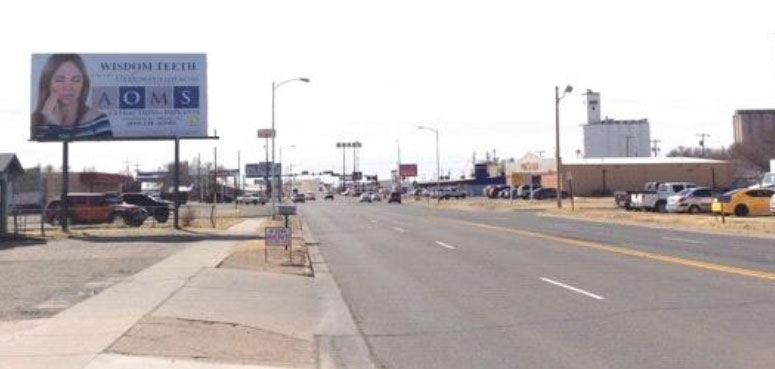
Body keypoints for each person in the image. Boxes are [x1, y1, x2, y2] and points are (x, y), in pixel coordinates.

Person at [31, 54, 112, 140]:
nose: (68, 87)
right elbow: (44, 153)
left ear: (83, 85)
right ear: (47, 83)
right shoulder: (35, 123)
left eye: (76, 80)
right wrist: (54, 126)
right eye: (59, 80)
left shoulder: (98, 120)